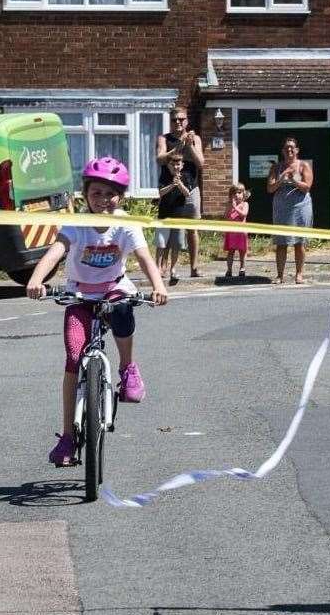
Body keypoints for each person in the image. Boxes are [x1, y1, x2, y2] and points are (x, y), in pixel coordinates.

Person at [27, 156, 170, 467]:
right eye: (96, 193)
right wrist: (37, 280)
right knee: (73, 357)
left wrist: (158, 286)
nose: (104, 200)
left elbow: (146, 259)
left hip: (113, 287)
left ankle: (128, 369)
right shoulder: (77, 225)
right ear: (85, 195)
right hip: (79, 293)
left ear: (121, 196)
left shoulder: (125, 225)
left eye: (110, 194)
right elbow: (55, 253)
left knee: (122, 310)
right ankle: (67, 437)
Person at [155, 107, 204, 277]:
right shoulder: (164, 139)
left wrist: (189, 146)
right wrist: (177, 147)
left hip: (191, 188)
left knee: (192, 229)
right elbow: (160, 159)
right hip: (171, 188)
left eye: (181, 119)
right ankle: (163, 267)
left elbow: (200, 163)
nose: (178, 122)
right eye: (175, 120)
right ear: (170, 122)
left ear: (187, 121)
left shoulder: (194, 138)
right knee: (169, 228)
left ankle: (194, 267)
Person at [266, 136, 314, 284]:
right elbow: (270, 188)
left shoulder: (303, 165)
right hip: (282, 209)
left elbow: (307, 187)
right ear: (283, 151)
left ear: (297, 150)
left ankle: (299, 274)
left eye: (292, 147)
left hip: (300, 208)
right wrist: (281, 179)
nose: (289, 150)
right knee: (281, 243)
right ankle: (280, 275)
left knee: (299, 242)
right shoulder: (276, 167)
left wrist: (293, 180)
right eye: (286, 147)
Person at [156, 152, 191, 284]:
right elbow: (160, 192)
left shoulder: (186, 176)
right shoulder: (164, 176)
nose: (176, 167)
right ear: (169, 165)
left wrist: (179, 183)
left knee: (177, 244)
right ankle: (158, 268)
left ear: (182, 165)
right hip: (164, 215)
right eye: (173, 164)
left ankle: (173, 269)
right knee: (161, 243)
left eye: (178, 164)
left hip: (179, 216)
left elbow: (187, 193)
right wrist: (172, 185)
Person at [223, 182, 250, 278]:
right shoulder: (229, 205)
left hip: (241, 232)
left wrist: (236, 208)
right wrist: (230, 206)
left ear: (243, 194)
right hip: (231, 232)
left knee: (242, 251)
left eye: (239, 192)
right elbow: (226, 216)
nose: (236, 195)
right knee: (231, 252)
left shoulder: (245, 204)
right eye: (234, 193)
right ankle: (229, 270)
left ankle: (242, 268)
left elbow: (244, 214)